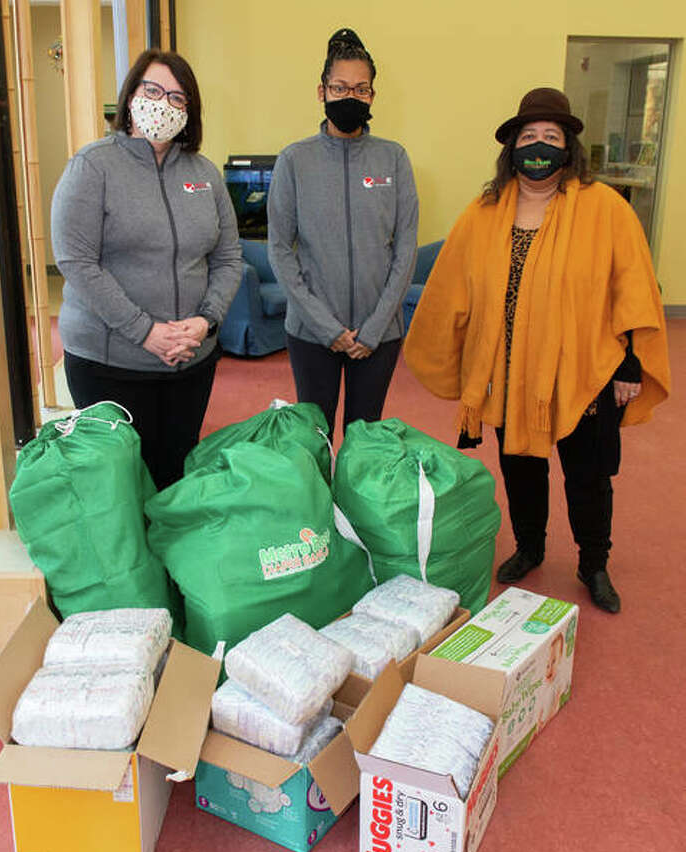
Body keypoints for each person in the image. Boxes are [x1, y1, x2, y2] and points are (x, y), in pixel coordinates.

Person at [404, 88, 670, 613]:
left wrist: (630, 363)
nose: (540, 146)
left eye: (551, 137)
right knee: (521, 465)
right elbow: (452, 287)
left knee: (588, 474)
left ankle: (594, 563)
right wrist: (462, 360)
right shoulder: (484, 212)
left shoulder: (605, 209)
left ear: (569, 149)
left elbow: (633, 287)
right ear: (511, 149)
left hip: (585, 369)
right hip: (509, 369)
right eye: (529, 137)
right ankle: (529, 546)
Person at [51, 49, 242, 490]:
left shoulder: (206, 174)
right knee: (118, 486)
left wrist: (205, 321)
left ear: (189, 111)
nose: (163, 104)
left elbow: (228, 256)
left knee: (175, 471)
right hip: (109, 362)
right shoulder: (92, 166)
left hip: (190, 360)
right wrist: (145, 332)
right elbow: (76, 260)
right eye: (152, 90)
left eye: (178, 98)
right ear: (130, 96)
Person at [268, 28, 418, 437]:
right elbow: (280, 250)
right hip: (312, 333)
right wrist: (327, 328)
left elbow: (405, 248)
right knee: (313, 438)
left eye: (361, 89)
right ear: (322, 91)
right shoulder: (294, 161)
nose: (350, 97)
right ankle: (318, 504)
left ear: (372, 95)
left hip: (379, 334)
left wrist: (373, 329)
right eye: (340, 87)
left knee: (364, 441)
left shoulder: (394, 158)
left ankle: (353, 505)